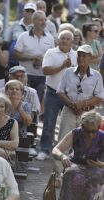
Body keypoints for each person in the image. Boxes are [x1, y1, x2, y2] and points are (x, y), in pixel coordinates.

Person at [55, 44, 104, 185]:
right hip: (69, 110)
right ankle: (58, 175)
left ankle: (86, 174)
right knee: (63, 141)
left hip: (88, 114)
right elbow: (60, 91)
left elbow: (100, 96)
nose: (81, 58)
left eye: (84, 55)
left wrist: (81, 105)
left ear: (90, 58)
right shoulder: (68, 72)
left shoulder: (96, 75)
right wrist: (72, 105)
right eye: (79, 55)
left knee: (87, 142)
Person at [37, 30, 77, 161]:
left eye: (67, 39)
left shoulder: (76, 55)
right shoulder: (51, 53)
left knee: (70, 124)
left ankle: (67, 152)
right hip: (53, 92)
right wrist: (62, 66)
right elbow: (45, 70)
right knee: (49, 122)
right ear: (58, 40)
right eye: (63, 38)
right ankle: (44, 150)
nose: (65, 41)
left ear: (72, 41)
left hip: (69, 95)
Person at [52, 111, 104, 200]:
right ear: (82, 126)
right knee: (71, 173)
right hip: (75, 165)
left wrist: (101, 164)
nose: (90, 134)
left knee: (96, 175)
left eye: (93, 131)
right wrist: (62, 156)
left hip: (96, 167)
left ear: (99, 127)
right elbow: (56, 149)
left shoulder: (102, 136)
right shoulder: (76, 133)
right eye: (87, 131)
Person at [13, 10, 55, 103]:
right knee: (25, 102)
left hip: (43, 76)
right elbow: (15, 54)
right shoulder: (23, 36)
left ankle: (35, 118)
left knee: (37, 103)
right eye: (40, 20)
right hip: (26, 75)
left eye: (45, 20)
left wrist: (43, 60)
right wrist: (32, 58)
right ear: (34, 21)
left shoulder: (50, 37)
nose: (43, 22)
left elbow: (53, 57)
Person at [5, 2, 35, 67]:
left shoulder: (36, 27)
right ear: (23, 12)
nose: (29, 12)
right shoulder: (15, 25)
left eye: (32, 11)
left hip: (29, 62)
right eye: (27, 10)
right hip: (13, 61)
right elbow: (7, 41)